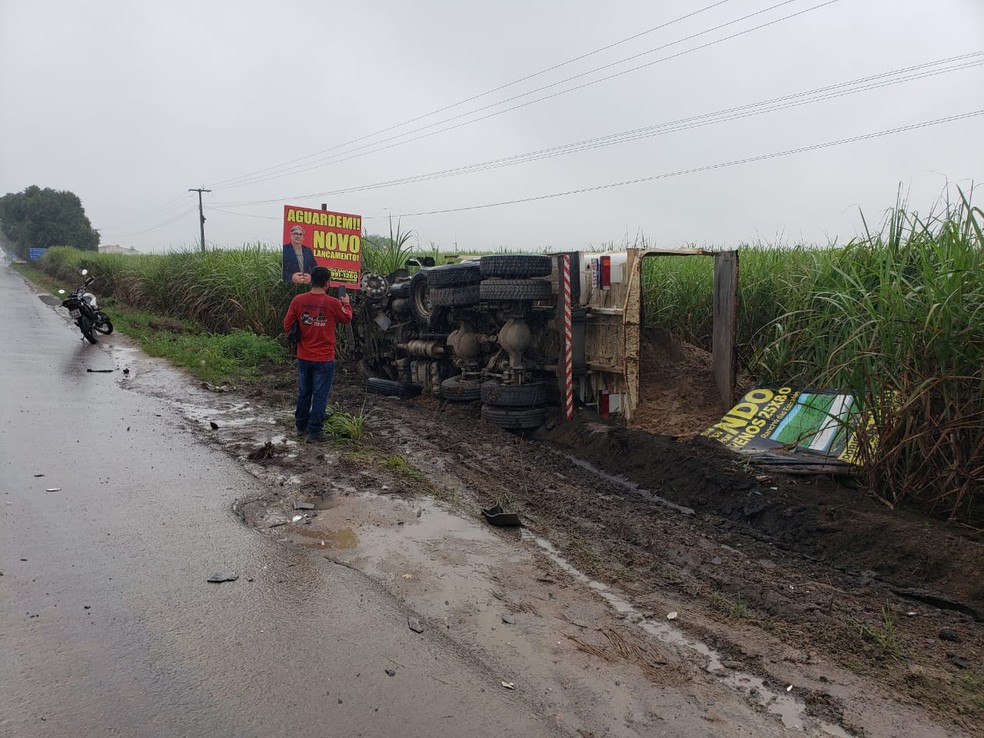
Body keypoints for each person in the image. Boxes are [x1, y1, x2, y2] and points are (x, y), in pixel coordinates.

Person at [282, 266, 353, 443]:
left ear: (312, 280)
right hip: (324, 358)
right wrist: (346, 303)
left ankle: (300, 427)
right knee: (320, 395)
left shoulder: (298, 300)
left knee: (304, 392)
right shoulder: (332, 303)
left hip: (304, 356)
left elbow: (287, 325)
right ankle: (315, 432)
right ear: (327, 283)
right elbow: (347, 318)